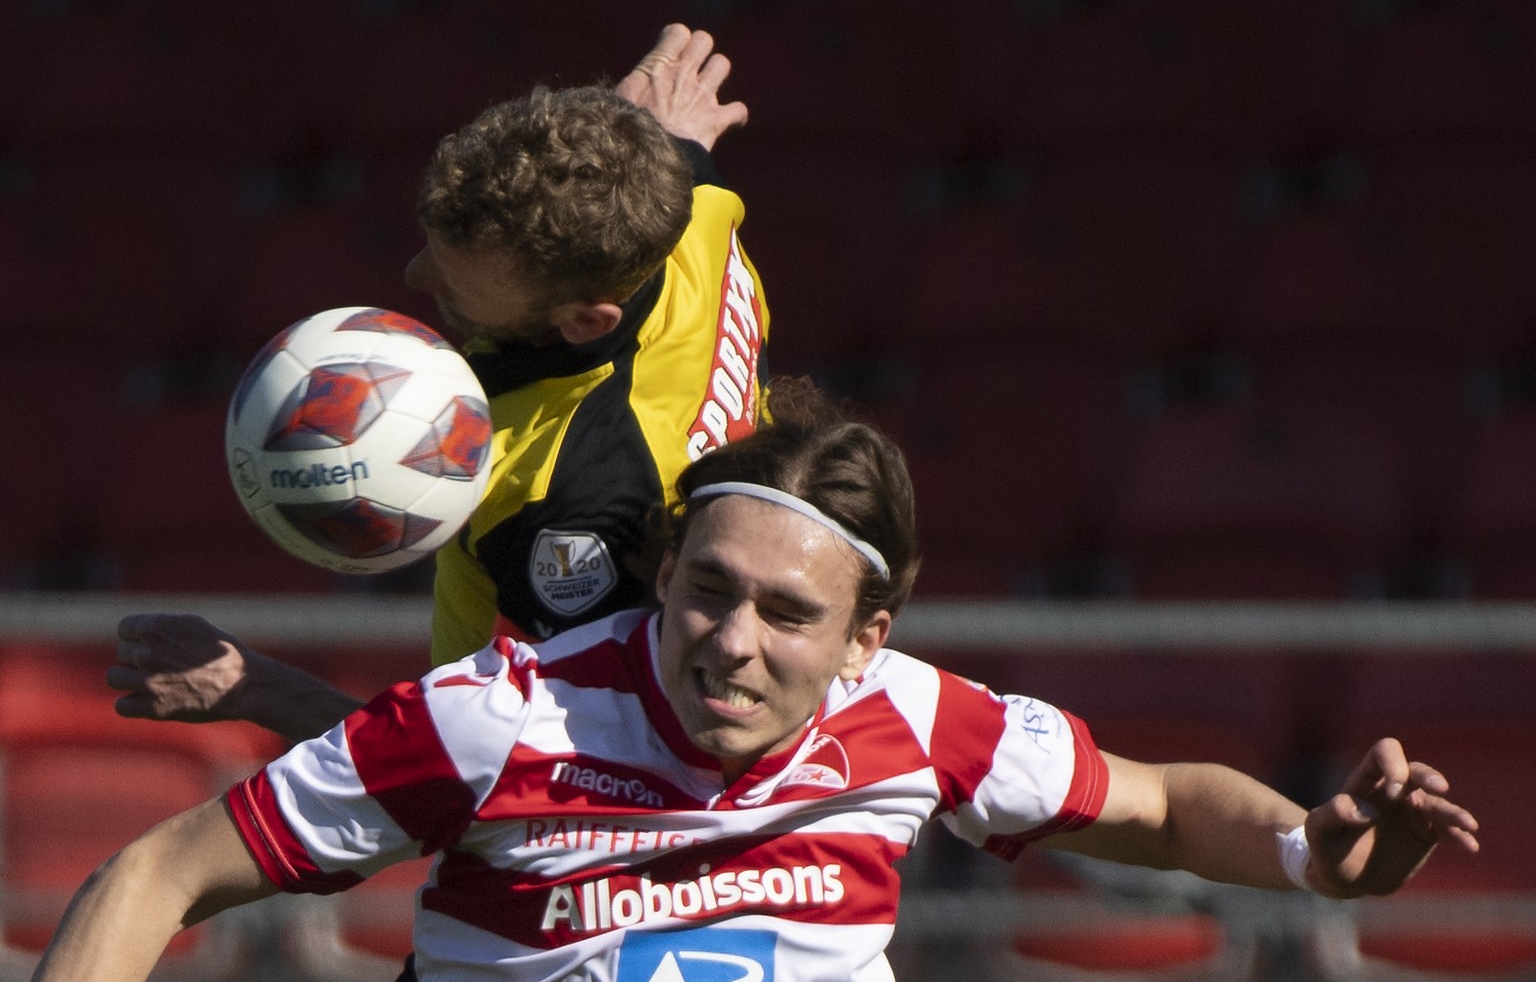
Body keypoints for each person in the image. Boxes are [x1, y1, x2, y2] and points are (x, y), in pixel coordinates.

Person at [44, 380, 1479, 982]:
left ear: (870, 634)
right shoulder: (499, 715)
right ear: (663, 572)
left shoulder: (915, 718)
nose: (730, 638)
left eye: (788, 614)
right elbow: (160, 869)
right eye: (708, 589)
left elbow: (1162, 807)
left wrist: (1313, 853)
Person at [106, 24, 770, 741]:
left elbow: (506, 781)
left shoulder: (578, 505)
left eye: (458, 285)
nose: (415, 277)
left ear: (583, 320)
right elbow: (663, 155)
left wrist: (258, 689)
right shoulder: (688, 210)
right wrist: (636, 129)